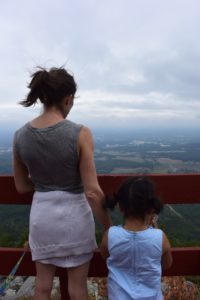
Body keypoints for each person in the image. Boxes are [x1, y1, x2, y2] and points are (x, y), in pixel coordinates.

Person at [13, 67, 111, 300]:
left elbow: (21, 186)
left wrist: (47, 183)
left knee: (42, 288)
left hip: (42, 218)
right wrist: (109, 227)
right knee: (77, 290)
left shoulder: (20, 136)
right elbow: (92, 191)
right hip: (75, 220)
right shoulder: (80, 133)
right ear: (68, 99)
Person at [100, 177, 172, 300]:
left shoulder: (110, 235)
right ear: (151, 209)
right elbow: (166, 264)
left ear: (121, 207)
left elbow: (105, 256)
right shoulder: (160, 237)